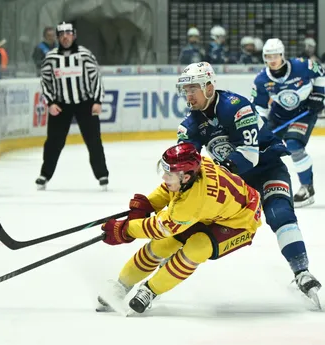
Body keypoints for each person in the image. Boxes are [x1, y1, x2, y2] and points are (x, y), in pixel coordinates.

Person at [170, 62, 321, 306]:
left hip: (266, 168)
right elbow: (186, 166)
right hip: (235, 181)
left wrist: (217, 173)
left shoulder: (236, 106)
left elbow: (249, 155)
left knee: (279, 213)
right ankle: (156, 267)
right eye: (185, 90)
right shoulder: (188, 125)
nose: (188, 95)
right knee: (196, 217)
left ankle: (301, 271)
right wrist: (175, 185)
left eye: (193, 88)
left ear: (209, 87)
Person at [97, 142, 262, 314]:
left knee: (197, 248)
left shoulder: (192, 203)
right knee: (162, 245)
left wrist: (125, 229)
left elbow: (159, 228)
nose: (164, 178)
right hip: (211, 211)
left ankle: (151, 290)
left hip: (242, 221)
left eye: (169, 174)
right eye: (165, 172)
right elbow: (169, 191)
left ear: (186, 177)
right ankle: (122, 284)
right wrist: (149, 204)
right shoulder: (195, 169)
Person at [251, 38, 325, 207]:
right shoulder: (261, 79)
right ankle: (261, 188)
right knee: (263, 148)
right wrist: (260, 123)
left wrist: (319, 95)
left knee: (293, 145)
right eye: (268, 57)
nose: (272, 60)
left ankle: (307, 188)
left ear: (282, 55)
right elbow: (259, 106)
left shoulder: (302, 65)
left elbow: (320, 73)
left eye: (275, 55)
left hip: (304, 112)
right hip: (278, 115)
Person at [35, 22, 109, 191]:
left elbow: (95, 78)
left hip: (85, 103)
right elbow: (45, 82)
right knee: (53, 142)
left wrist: (97, 101)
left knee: (94, 141)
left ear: (74, 35)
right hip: (60, 105)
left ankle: (102, 174)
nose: (65, 37)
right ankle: (44, 175)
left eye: (68, 34)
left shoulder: (85, 55)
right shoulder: (51, 57)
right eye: (62, 34)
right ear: (58, 37)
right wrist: (51, 103)